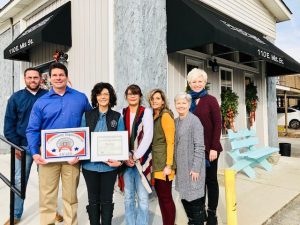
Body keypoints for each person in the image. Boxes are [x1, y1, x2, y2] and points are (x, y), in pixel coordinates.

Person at [26, 62, 92, 225]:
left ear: (67, 77)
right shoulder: (41, 102)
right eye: (54, 75)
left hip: (73, 157)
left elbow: (91, 123)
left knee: (70, 197)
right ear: (49, 79)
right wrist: (35, 152)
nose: (58, 78)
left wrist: (83, 151)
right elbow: (32, 129)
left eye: (61, 75)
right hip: (48, 159)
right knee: (47, 198)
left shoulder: (80, 97)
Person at [3, 68, 48, 225]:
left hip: (44, 147)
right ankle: (15, 214)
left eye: (36, 77)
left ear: (41, 79)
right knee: (18, 181)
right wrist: (16, 146)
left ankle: (50, 211)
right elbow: (9, 125)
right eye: (30, 77)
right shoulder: (16, 98)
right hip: (23, 147)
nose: (33, 80)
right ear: (25, 79)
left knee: (48, 182)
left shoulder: (48, 96)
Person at [81, 82, 125, 225]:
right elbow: (82, 139)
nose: (103, 97)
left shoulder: (117, 117)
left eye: (106, 94)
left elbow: (122, 142)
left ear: (110, 96)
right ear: (95, 97)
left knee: (107, 199)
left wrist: (120, 161)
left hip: (109, 168)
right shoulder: (87, 115)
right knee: (93, 200)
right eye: (99, 94)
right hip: (90, 166)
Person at [187, 68, 223, 225]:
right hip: (194, 150)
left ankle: (212, 213)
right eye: (193, 81)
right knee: (197, 182)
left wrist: (214, 147)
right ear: (189, 83)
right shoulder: (187, 101)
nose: (196, 84)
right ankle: (200, 211)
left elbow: (218, 124)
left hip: (210, 150)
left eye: (199, 81)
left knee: (211, 181)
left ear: (204, 82)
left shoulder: (211, 100)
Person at [121, 84, 153, 225]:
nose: (132, 96)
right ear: (126, 96)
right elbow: (119, 136)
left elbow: (148, 136)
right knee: (128, 197)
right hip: (126, 160)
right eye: (130, 94)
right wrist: (126, 156)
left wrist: (135, 155)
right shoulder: (121, 112)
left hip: (142, 159)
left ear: (140, 96)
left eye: (135, 93)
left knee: (142, 197)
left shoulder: (146, 112)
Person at [174, 92, 206, 225]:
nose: (181, 105)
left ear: (189, 104)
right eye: (178, 103)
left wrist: (196, 168)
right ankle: (191, 222)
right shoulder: (175, 121)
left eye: (184, 103)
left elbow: (199, 146)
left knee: (195, 203)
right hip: (181, 169)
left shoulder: (195, 121)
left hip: (193, 169)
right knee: (185, 199)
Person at [148, 89, 176, 225]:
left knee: (166, 198)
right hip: (157, 162)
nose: (155, 101)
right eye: (153, 98)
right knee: (161, 197)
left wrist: (169, 165)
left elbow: (171, 142)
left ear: (163, 101)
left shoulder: (165, 116)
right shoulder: (154, 116)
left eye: (158, 98)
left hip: (164, 164)